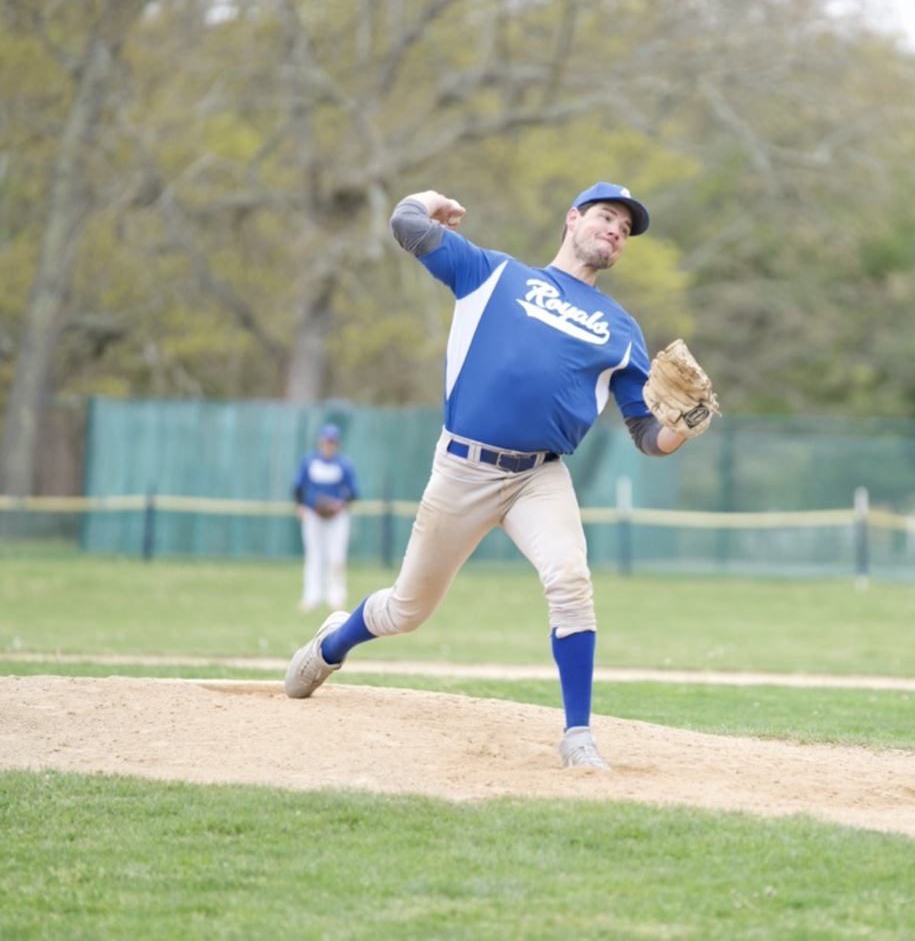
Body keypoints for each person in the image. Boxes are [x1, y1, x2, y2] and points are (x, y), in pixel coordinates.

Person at [284, 181, 697, 770]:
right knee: (408, 610)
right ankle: (330, 647)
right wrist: (430, 200)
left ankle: (578, 734)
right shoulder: (495, 275)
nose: (615, 231)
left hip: (539, 478)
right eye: (606, 217)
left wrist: (682, 427)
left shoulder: (620, 329)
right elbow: (406, 224)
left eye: (625, 230)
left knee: (571, 580)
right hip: (462, 469)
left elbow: (647, 436)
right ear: (572, 218)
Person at [292, 423, 359, 612]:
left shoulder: (344, 464)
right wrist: (300, 505)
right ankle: (311, 596)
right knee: (314, 555)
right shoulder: (309, 461)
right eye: (326, 441)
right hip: (313, 514)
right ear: (320, 441)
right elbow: (298, 487)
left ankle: (336, 596)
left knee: (336, 556)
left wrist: (339, 505)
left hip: (336, 518)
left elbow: (353, 493)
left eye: (332, 442)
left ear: (337, 443)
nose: (328, 445)